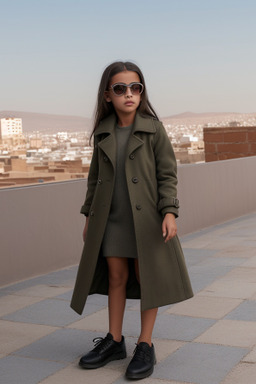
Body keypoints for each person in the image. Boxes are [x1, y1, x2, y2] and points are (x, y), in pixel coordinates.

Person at [70, 61, 193, 380]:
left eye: (135, 88)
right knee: (115, 277)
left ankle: (145, 343)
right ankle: (113, 341)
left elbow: (168, 174)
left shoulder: (154, 129)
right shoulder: (103, 132)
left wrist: (169, 212)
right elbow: (94, 178)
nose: (129, 94)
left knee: (147, 276)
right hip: (110, 219)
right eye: (121, 88)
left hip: (147, 221)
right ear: (108, 95)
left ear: (142, 92)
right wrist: (88, 216)